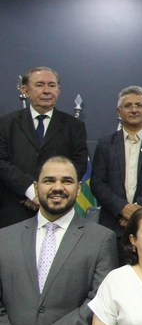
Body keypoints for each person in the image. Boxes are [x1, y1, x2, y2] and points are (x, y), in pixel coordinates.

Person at [0, 156, 117, 325]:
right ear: (36, 187)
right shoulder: (4, 238)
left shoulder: (101, 239)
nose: (57, 187)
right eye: (49, 180)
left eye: (66, 181)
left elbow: (98, 302)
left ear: (78, 188)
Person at [0, 67, 88, 228]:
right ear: (25, 90)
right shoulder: (6, 124)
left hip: (58, 208)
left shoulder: (74, 126)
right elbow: (2, 163)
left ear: (59, 90)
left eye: (52, 85)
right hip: (14, 210)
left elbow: (78, 164)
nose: (47, 91)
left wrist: (47, 193)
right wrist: (31, 192)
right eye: (40, 85)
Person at [91, 86, 142, 237]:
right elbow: (97, 184)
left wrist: (139, 210)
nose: (134, 110)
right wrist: (122, 208)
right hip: (112, 225)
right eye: (128, 106)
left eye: (139, 105)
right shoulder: (105, 144)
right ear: (119, 112)